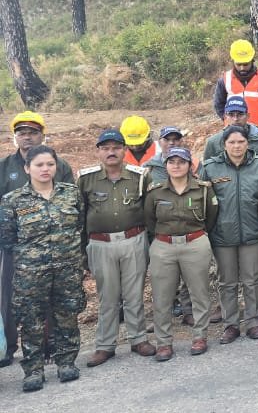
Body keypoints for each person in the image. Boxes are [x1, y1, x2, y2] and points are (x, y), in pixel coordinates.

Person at [0, 146, 84, 391]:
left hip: (67, 268)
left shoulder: (71, 194)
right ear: (27, 169)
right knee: (31, 321)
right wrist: (31, 257)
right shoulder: (13, 201)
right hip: (30, 273)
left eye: (50, 164)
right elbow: (7, 238)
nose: (45, 169)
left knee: (67, 316)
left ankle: (66, 362)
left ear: (56, 166)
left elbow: (79, 225)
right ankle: (34, 370)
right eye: (39, 165)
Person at [80, 129, 156, 368]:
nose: (111, 152)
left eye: (116, 148)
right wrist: (82, 251)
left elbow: (150, 212)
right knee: (107, 296)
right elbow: (79, 216)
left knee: (134, 294)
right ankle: (105, 344)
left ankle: (138, 339)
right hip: (100, 244)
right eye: (105, 148)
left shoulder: (140, 176)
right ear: (98, 152)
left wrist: (150, 245)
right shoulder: (85, 179)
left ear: (124, 150)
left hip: (134, 240)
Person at [144, 147, 219, 362]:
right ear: (165, 165)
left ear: (189, 165)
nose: (176, 166)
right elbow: (149, 220)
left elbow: (211, 216)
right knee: (162, 296)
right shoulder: (155, 191)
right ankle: (164, 342)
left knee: (199, 293)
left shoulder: (203, 190)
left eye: (181, 162)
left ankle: (200, 336)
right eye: (171, 162)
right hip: (163, 245)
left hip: (195, 243)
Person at [200, 126, 258, 344]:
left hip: (254, 232)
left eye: (241, 142)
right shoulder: (211, 168)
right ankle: (230, 325)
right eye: (232, 142)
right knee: (227, 282)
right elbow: (202, 202)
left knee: (253, 280)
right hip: (222, 234)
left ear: (248, 143)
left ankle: (253, 322)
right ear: (224, 145)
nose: (237, 146)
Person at [214, 40, 258, 130]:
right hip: (233, 128)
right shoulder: (224, 80)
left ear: (252, 60)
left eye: (245, 64)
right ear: (233, 61)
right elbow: (219, 104)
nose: (242, 68)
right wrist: (228, 119)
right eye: (238, 64)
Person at [204, 96, 258, 161]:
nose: (235, 119)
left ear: (247, 116)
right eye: (231, 114)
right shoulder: (214, 142)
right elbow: (208, 167)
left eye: (240, 114)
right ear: (225, 117)